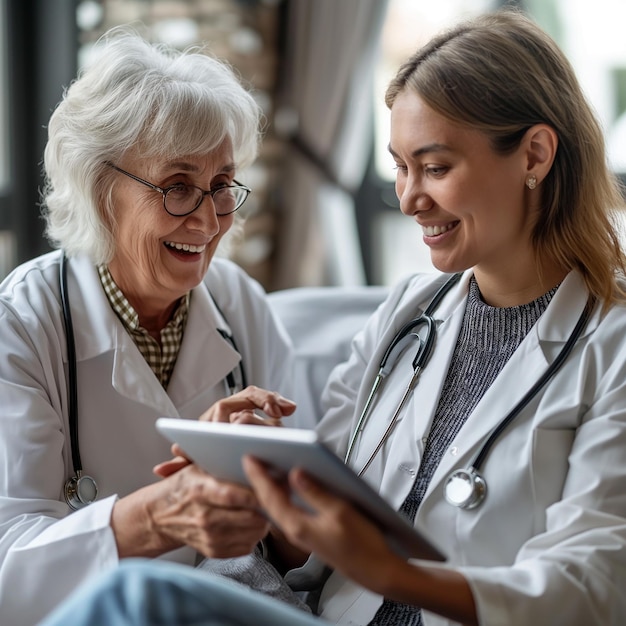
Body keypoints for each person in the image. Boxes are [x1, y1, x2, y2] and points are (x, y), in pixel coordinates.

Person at [39, 8, 626, 626]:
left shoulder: (610, 348)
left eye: (435, 167)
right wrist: (264, 484)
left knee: (139, 598)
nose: (407, 198)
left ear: (534, 153)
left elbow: (596, 584)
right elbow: (312, 556)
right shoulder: (404, 318)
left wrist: (389, 571)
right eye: (399, 167)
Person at [0, 26, 298, 626]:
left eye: (220, 186)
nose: (210, 220)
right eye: (179, 186)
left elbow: (303, 553)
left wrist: (270, 487)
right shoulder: (24, 321)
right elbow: (10, 567)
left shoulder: (241, 303)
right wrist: (160, 515)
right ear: (100, 189)